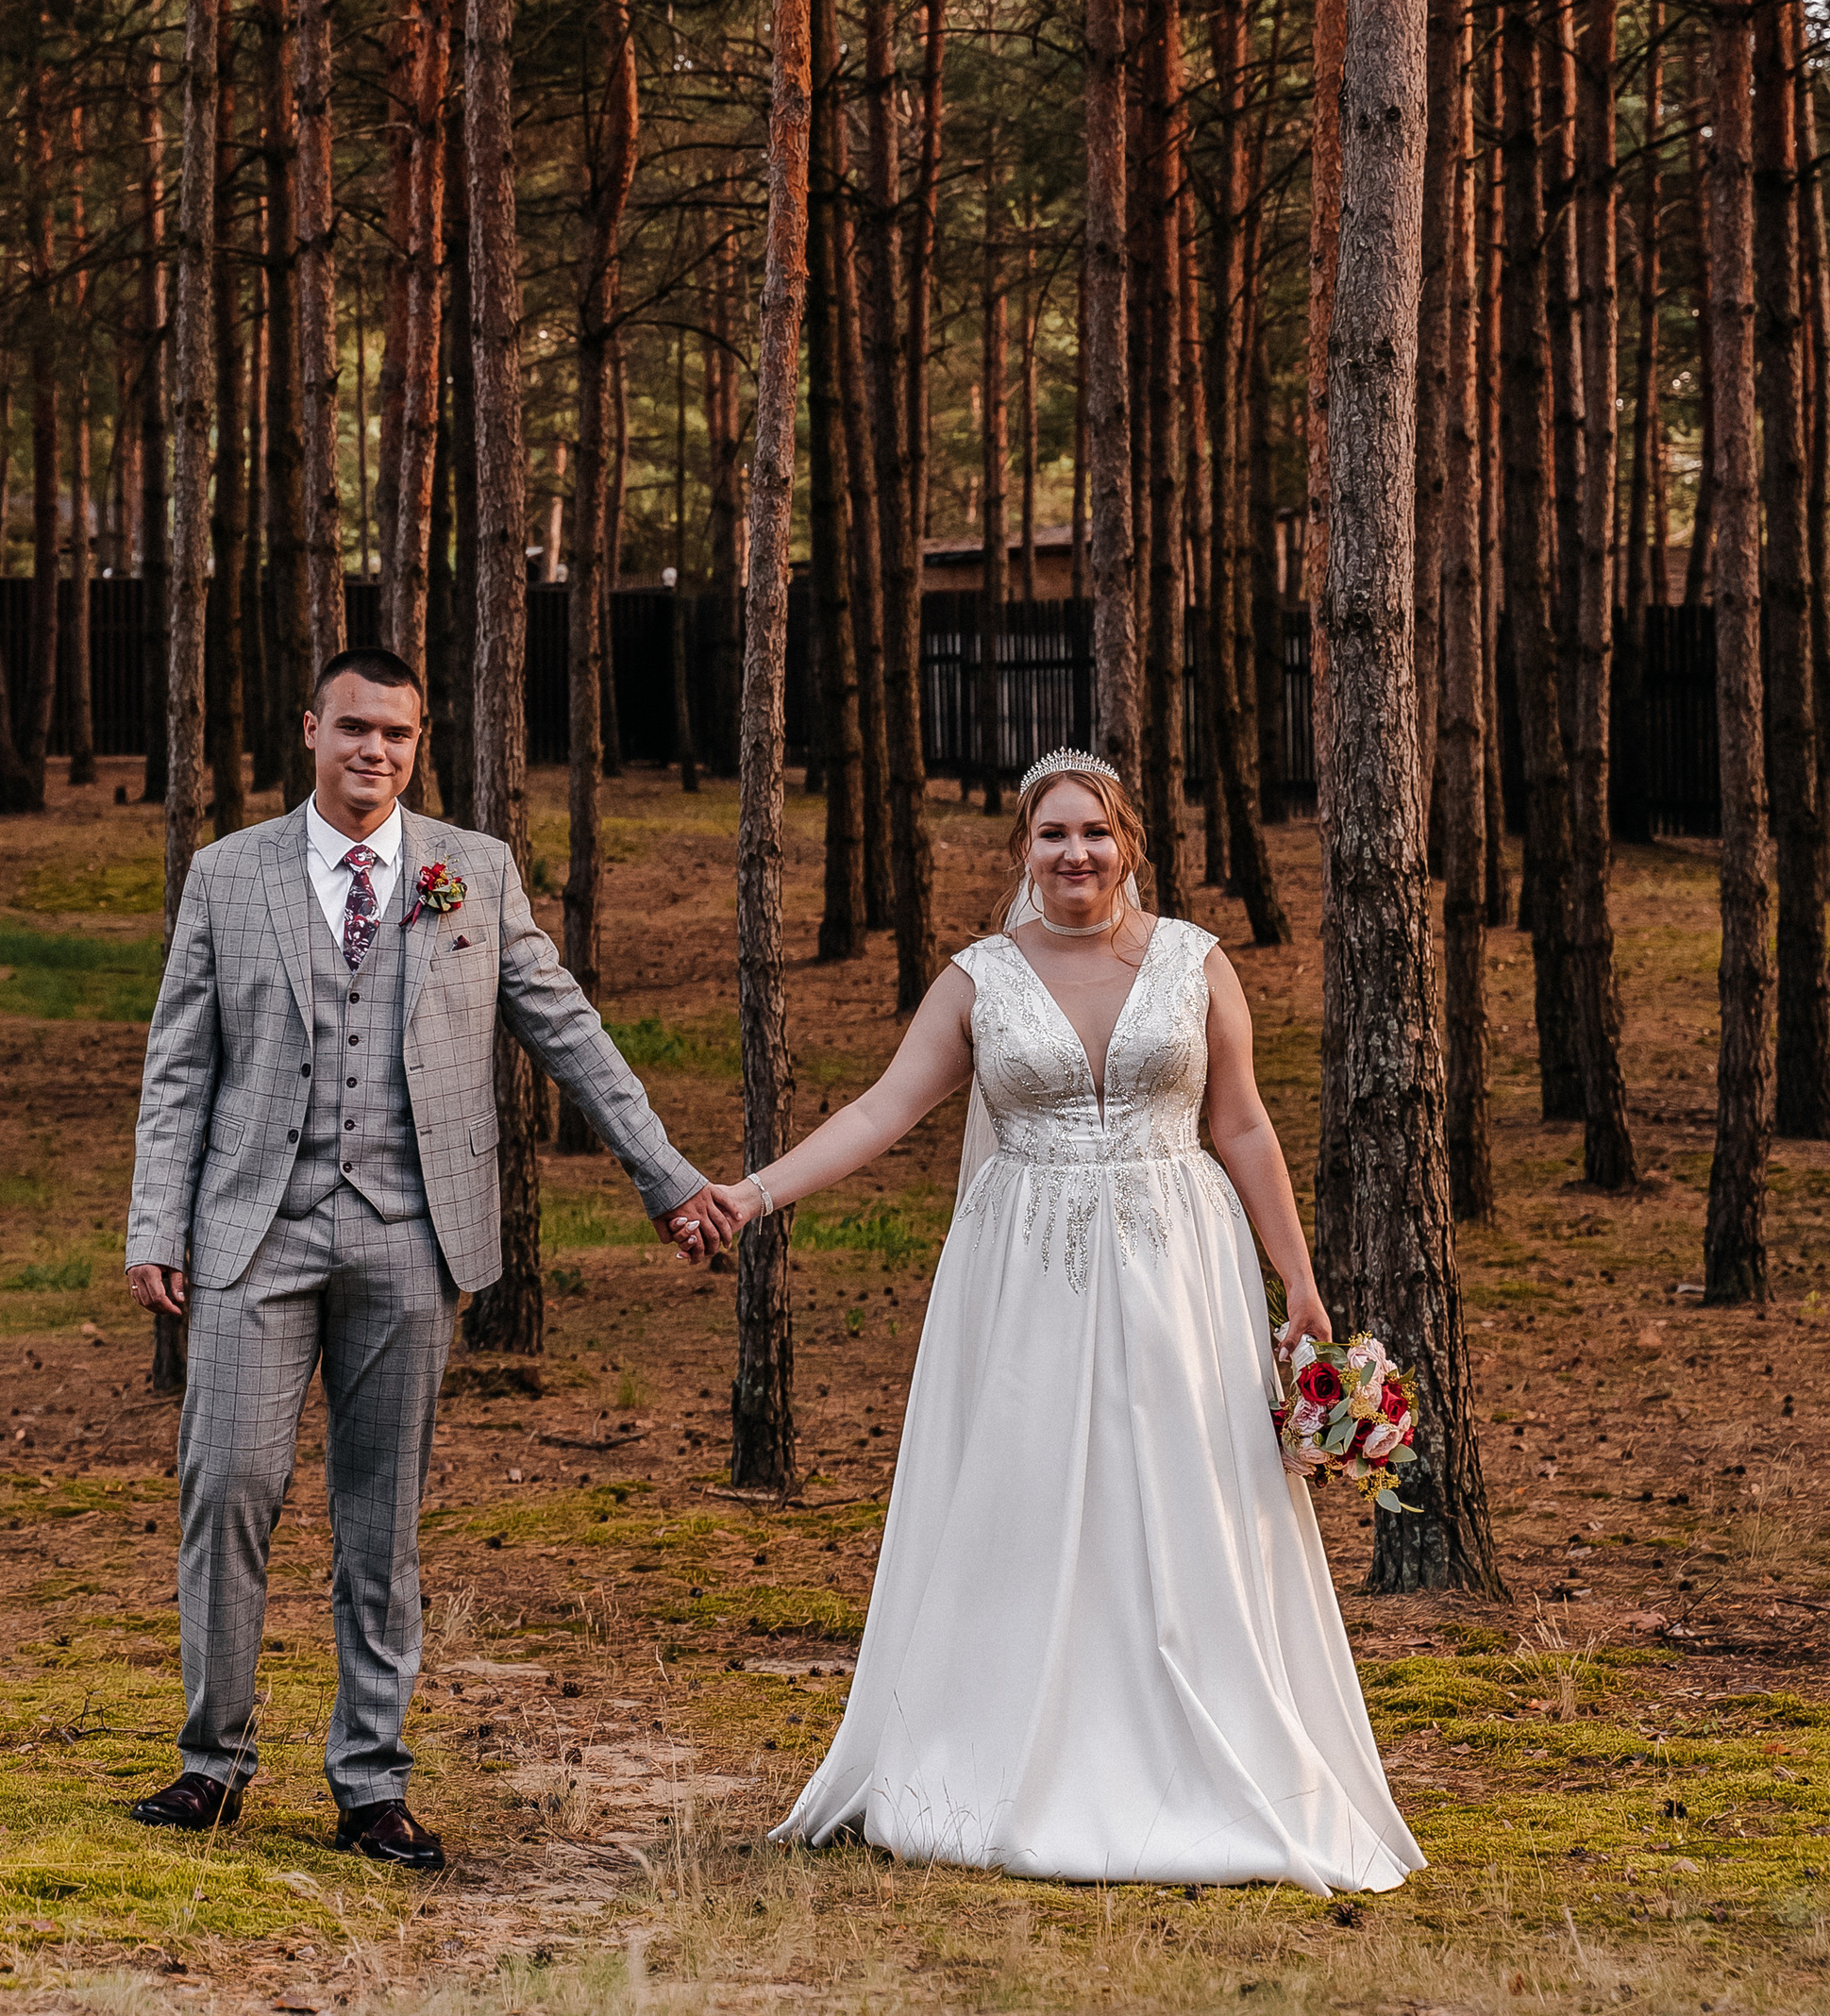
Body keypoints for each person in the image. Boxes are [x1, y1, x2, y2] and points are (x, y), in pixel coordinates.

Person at [699, 748, 1426, 1892]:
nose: (1074, 852)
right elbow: (884, 1109)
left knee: (1181, 1489)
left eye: (1094, 831)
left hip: (1178, 1263)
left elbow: (1240, 1126)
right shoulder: (978, 978)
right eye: (1051, 835)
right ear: (1022, 852)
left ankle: (1196, 1747)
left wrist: (1298, 1284)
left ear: (1128, 843)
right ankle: (1000, 1750)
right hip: (1024, 1268)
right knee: (1026, 1492)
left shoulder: (1195, 964)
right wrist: (753, 1193)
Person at [123, 647, 743, 1869]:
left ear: (417, 745)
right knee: (228, 1490)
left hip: (412, 1233)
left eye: (398, 737)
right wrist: (158, 1221)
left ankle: (369, 1783)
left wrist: (665, 1175)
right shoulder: (227, 876)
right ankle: (213, 1763)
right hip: (256, 1229)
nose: (376, 753)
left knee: (382, 1520)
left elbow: (565, 1026)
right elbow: (179, 1062)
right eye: (355, 729)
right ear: (311, 730)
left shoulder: (472, 873)